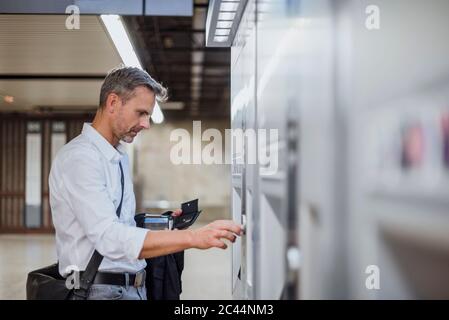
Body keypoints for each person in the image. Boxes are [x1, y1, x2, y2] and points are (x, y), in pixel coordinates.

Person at [49, 66, 242, 300]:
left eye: (148, 115)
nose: (146, 123)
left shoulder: (117, 156)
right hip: (100, 292)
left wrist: (163, 224)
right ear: (113, 103)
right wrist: (193, 238)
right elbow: (109, 237)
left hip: (129, 289)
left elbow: (118, 223)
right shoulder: (80, 159)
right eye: (141, 113)